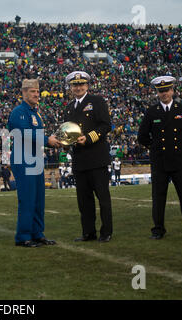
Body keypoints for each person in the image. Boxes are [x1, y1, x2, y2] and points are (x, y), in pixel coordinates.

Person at [138, 76, 182, 240]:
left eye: (167, 90)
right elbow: (142, 136)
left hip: (180, 161)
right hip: (160, 162)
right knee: (158, 199)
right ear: (157, 93)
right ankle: (158, 230)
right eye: (161, 91)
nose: (164, 93)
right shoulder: (152, 112)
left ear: (172, 90)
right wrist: (155, 147)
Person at [8, 79, 62, 247]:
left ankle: (38, 233)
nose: (36, 94)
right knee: (28, 198)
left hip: (36, 158)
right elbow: (24, 133)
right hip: (23, 159)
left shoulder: (35, 113)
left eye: (37, 91)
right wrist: (47, 140)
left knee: (39, 198)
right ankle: (23, 236)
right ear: (24, 93)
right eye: (32, 91)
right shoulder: (18, 112)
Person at [63, 71, 113, 242]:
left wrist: (89, 137)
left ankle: (106, 232)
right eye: (75, 85)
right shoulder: (69, 107)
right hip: (79, 160)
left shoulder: (97, 101)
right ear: (70, 87)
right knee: (84, 201)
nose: (78, 87)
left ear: (87, 85)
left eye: (81, 84)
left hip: (96, 158)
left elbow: (106, 125)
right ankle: (88, 232)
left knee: (103, 198)